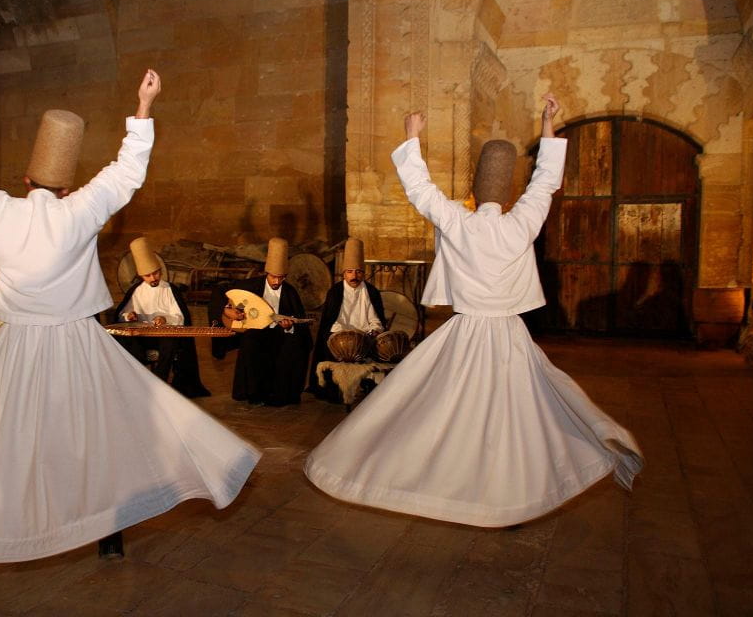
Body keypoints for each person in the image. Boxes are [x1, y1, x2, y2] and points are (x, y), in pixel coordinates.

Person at [0, 70, 260, 570]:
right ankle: (107, 533)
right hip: (80, 344)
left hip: (18, 350)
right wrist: (143, 107)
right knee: (102, 435)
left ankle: (9, 523)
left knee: (2, 438)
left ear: (26, 181)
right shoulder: (80, 211)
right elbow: (125, 173)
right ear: (68, 184)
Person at [305, 94, 643, 527]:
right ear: (505, 192)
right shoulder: (521, 222)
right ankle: (510, 492)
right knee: (515, 412)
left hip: (464, 334)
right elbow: (545, 183)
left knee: (436, 408)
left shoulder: (458, 221)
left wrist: (412, 137)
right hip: (508, 335)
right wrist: (546, 124)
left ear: (476, 189)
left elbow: (421, 192)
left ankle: (440, 478)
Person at [209, 237, 312, 406]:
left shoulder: (290, 292)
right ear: (267, 273)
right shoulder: (251, 285)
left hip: (280, 332)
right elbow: (220, 290)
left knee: (294, 344)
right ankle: (254, 393)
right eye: (273, 277)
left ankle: (281, 395)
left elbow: (298, 320)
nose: (277, 282)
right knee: (250, 342)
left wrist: (288, 328)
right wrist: (227, 310)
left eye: (281, 278)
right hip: (256, 330)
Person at [112, 236, 210, 398]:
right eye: (147, 276)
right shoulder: (136, 291)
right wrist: (129, 316)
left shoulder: (170, 289)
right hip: (143, 336)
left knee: (169, 342)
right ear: (140, 276)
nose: (153, 278)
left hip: (164, 335)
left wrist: (165, 319)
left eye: (155, 273)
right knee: (125, 341)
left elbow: (181, 318)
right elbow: (121, 316)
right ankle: (138, 381)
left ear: (160, 270)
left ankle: (159, 383)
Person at [308, 237, 386, 400]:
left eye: (358, 272)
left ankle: (368, 388)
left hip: (365, 337)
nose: (354, 276)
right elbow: (332, 321)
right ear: (344, 273)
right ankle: (334, 391)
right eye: (350, 272)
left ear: (363, 273)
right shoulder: (335, 292)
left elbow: (376, 319)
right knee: (332, 344)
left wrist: (373, 331)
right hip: (339, 337)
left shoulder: (371, 292)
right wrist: (345, 336)